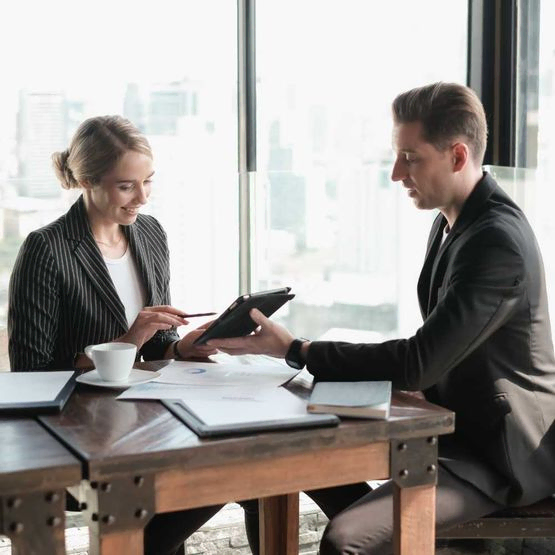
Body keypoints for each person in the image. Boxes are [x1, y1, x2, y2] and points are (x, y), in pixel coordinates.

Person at [208, 82, 555, 554]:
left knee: (346, 540)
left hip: (495, 454)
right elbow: (436, 350)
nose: (396, 174)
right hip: (445, 424)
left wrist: (298, 350)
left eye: (410, 158)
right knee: (290, 465)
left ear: (457, 156)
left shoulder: (496, 243)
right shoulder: (454, 220)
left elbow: (418, 363)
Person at [7, 114, 260, 555]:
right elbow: (32, 372)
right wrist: (126, 341)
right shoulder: (46, 249)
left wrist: (183, 345)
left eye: (148, 182)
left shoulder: (149, 233)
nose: (141, 197)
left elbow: (156, 344)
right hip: (81, 429)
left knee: (254, 465)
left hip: (149, 414)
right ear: (86, 180)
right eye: (127, 186)